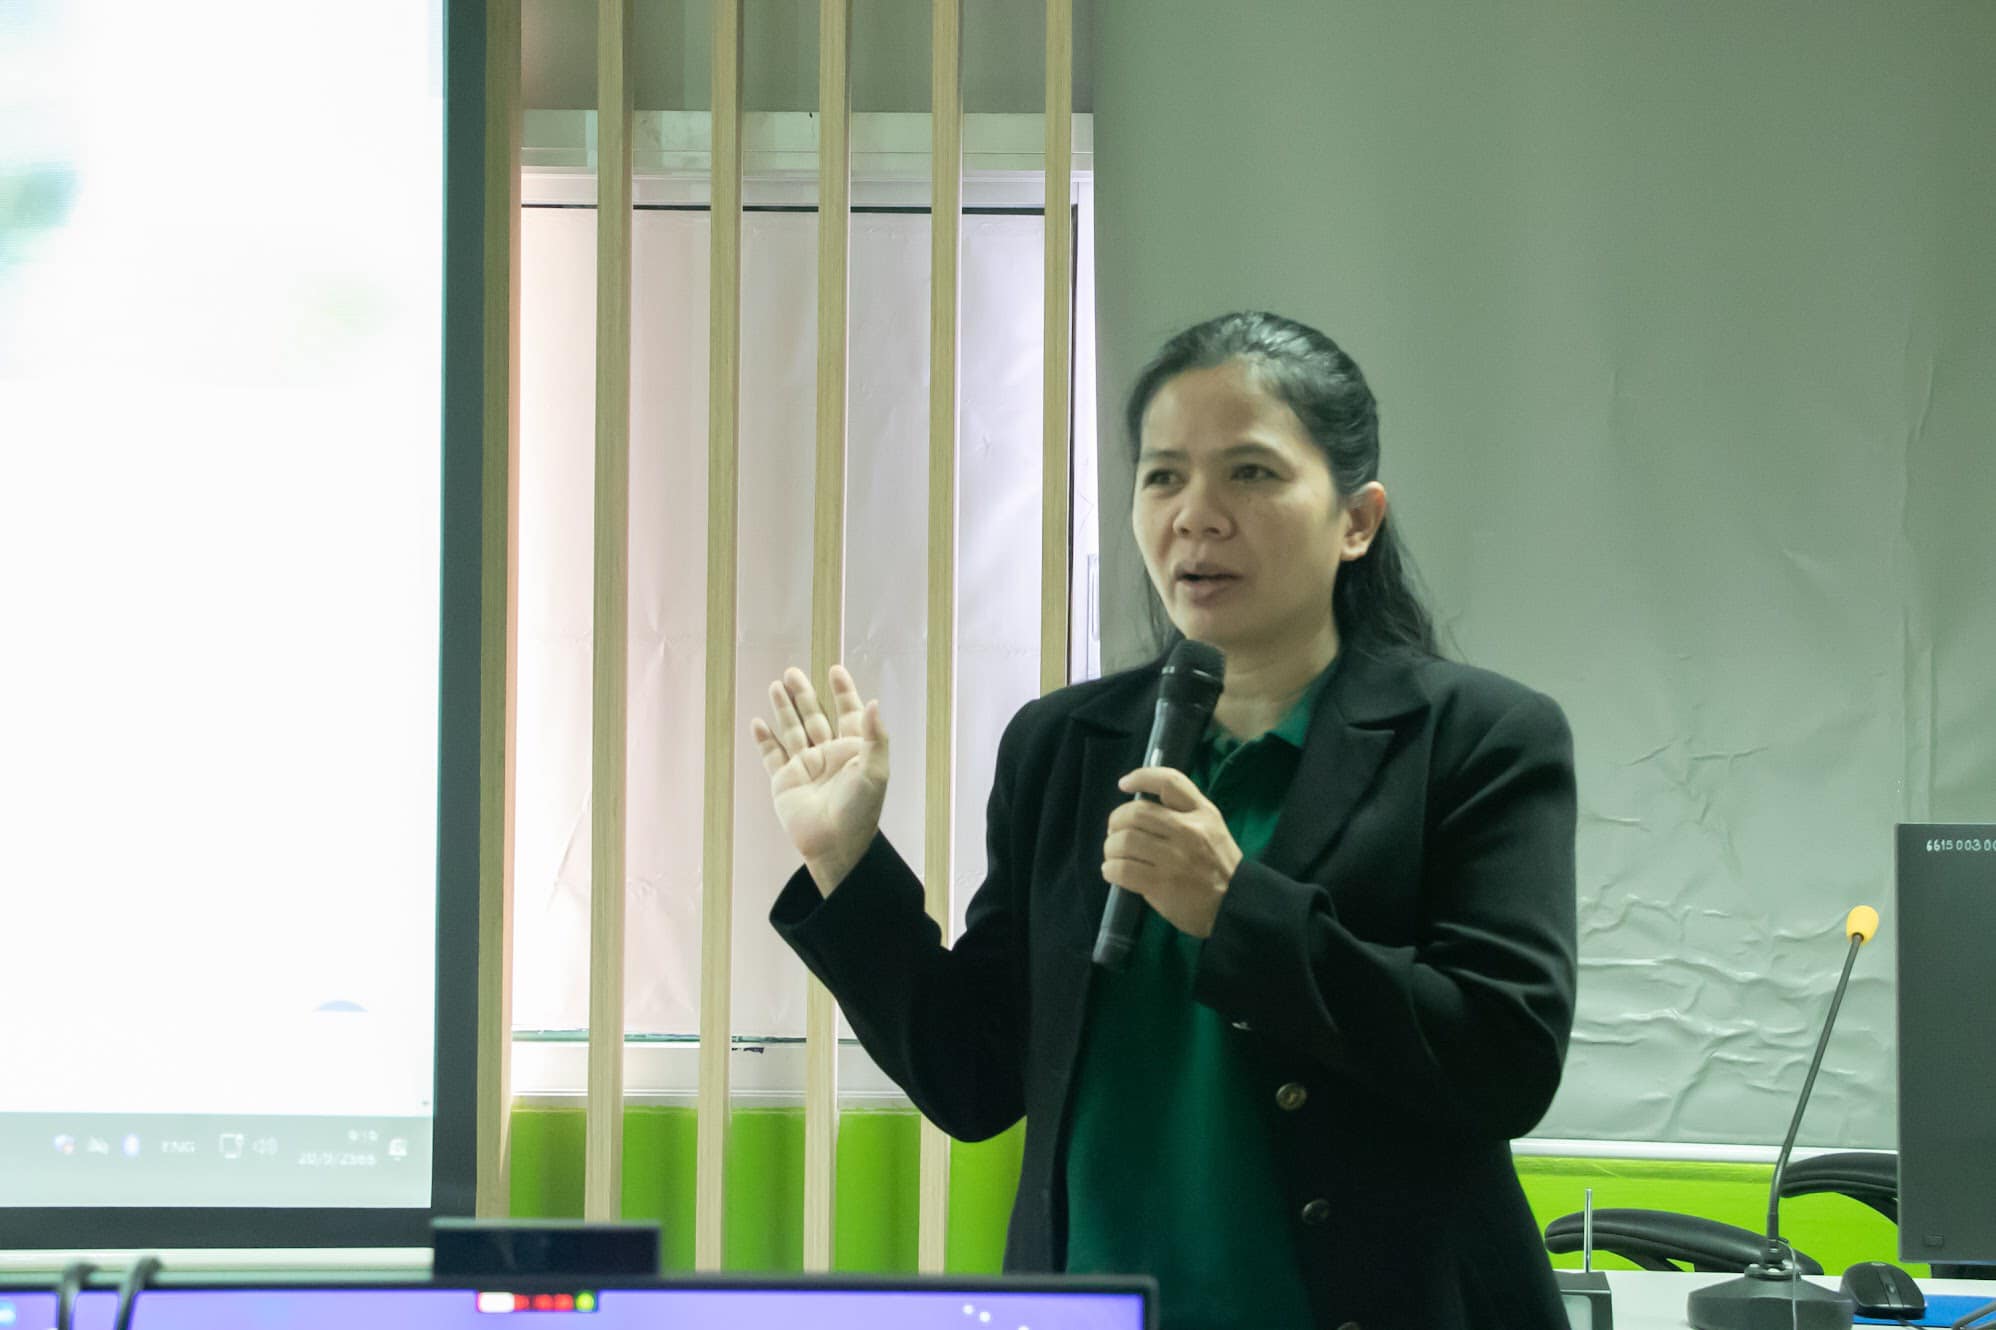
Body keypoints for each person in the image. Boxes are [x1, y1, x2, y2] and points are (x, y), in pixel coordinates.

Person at [752, 311, 1578, 1330]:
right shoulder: (1065, 744)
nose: (1197, 516)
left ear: (1357, 521)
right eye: (1162, 477)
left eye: (1251, 473)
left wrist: (1237, 912)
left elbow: (1504, 1062)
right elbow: (976, 1077)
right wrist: (846, 862)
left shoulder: (1476, 738)